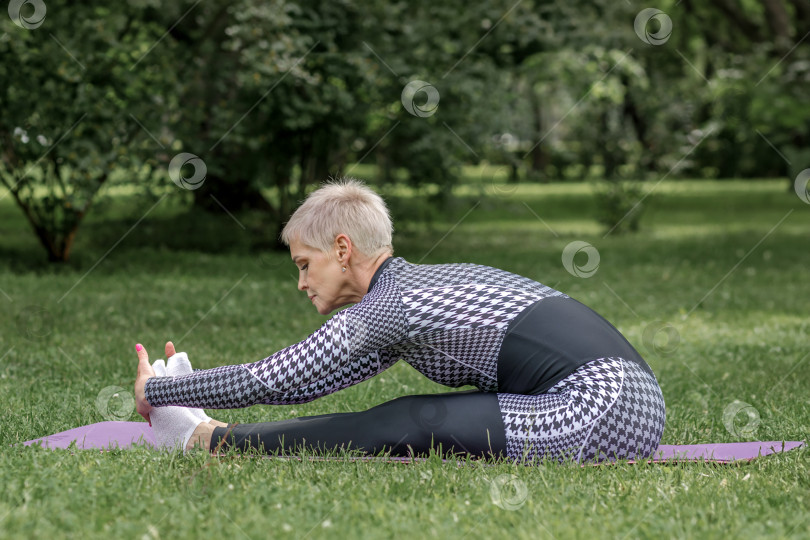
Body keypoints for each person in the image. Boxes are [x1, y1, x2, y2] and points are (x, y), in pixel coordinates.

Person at [134, 178, 665, 463]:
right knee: (405, 417)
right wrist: (182, 388)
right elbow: (314, 381)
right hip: (632, 402)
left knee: (411, 422)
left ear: (342, 249)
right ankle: (204, 423)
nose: (301, 283)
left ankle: (207, 439)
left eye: (304, 264)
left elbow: (278, 376)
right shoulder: (411, 294)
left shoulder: (394, 305)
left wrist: (159, 392)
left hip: (603, 412)